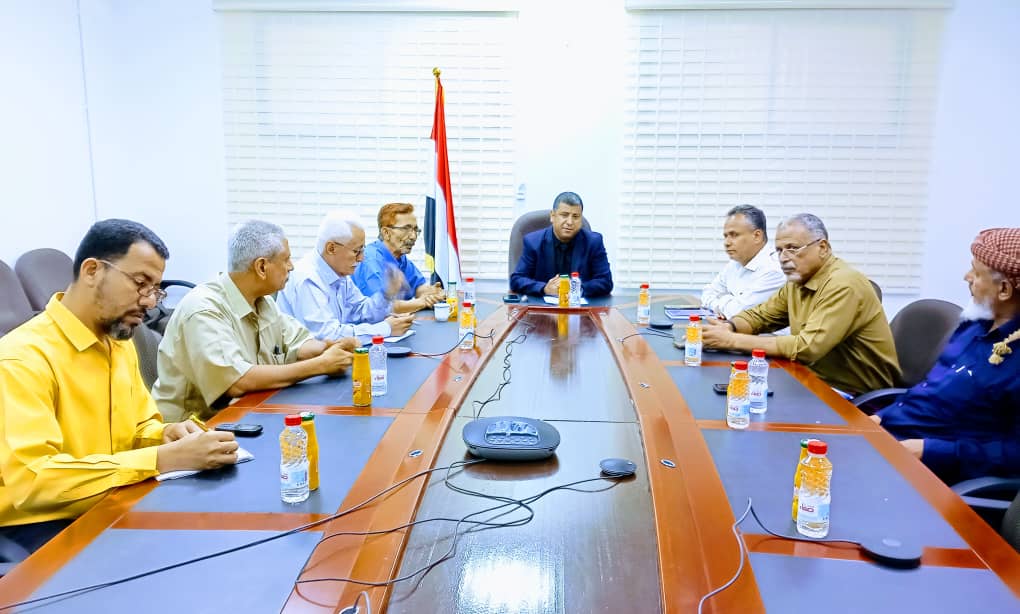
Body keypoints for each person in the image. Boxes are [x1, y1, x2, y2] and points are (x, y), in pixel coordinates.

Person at [0, 220, 238, 554]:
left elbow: (138, 428)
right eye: (140, 284)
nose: (149, 302)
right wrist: (160, 459)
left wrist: (166, 436)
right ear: (92, 271)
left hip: (112, 500)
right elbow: (33, 481)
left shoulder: (118, 343)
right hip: (43, 523)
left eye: (155, 289)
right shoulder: (22, 358)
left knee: (211, 536)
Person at [152, 220, 357, 422]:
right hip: (192, 430)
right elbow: (237, 381)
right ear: (261, 266)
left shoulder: (262, 301)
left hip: (245, 415)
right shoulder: (204, 309)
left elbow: (297, 344)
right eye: (286, 259)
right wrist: (321, 365)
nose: (291, 266)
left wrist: (330, 348)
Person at [872, 228, 1020, 483]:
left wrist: (929, 451)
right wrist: (880, 417)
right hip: (892, 438)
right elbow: (930, 390)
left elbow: (1013, 454)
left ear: (1004, 289)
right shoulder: (974, 324)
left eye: (976, 272)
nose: (966, 277)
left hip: (931, 472)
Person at [701, 213, 900, 396]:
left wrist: (731, 340)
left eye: (793, 248)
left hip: (854, 395)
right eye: (779, 250)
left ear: (823, 247)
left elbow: (806, 348)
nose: (783, 258)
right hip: (810, 378)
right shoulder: (798, 280)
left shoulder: (844, 284)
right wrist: (730, 327)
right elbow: (761, 316)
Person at [278, 212, 414, 344]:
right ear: (331, 248)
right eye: (356, 251)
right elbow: (327, 336)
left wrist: (386, 295)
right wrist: (385, 329)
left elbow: (361, 311)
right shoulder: (307, 278)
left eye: (362, 250)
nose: (361, 258)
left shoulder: (338, 272)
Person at [509, 191, 613, 298]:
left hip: (579, 305)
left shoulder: (593, 242)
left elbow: (606, 282)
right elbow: (517, 280)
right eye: (564, 215)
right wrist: (544, 288)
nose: (570, 222)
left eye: (575, 216)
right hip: (542, 305)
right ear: (552, 216)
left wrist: (577, 288)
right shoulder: (533, 242)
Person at [352, 202, 446, 313]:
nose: (413, 236)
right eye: (406, 229)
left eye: (415, 230)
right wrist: (423, 302)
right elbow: (381, 307)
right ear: (386, 233)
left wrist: (431, 293)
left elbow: (418, 287)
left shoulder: (400, 258)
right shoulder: (370, 260)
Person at [701, 205, 786, 318]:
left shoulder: (774, 270)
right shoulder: (735, 263)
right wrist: (729, 302)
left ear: (757, 236)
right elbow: (707, 293)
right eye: (725, 236)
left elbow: (738, 313)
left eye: (734, 235)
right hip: (732, 327)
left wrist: (723, 300)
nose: (727, 243)